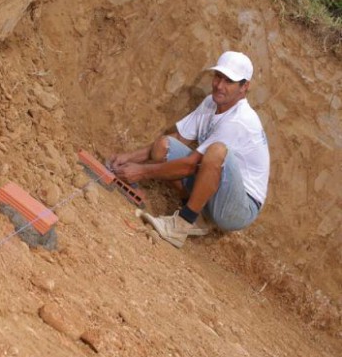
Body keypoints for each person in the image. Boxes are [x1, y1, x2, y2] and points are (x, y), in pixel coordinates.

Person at [109, 51, 270, 248]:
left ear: (244, 87)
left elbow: (190, 165)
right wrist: (129, 158)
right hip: (215, 190)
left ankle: (183, 223)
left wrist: (141, 171)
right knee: (163, 145)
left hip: (239, 207)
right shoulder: (211, 103)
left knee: (217, 151)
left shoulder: (240, 121)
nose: (219, 85)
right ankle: (198, 215)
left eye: (229, 81)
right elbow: (178, 138)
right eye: (218, 77)